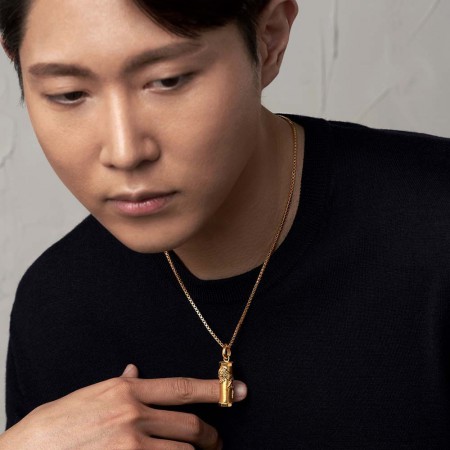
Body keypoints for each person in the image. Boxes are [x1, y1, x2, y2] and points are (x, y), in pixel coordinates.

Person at [1, 0, 450, 448]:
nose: (125, 152)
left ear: (269, 38)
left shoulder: (433, 228)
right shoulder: (55, 307)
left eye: (168, 80)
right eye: (69, 94)